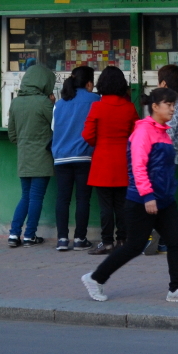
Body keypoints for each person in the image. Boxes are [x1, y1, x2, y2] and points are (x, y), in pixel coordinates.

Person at [81, 87, 178, 304]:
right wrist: (147, 196)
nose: (172, 109)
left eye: (173, 104)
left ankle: (176, 289)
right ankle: (95, 278)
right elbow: (138, 166)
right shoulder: (143, 131)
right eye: (168, 104)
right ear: (155, 107)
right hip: (143, 200)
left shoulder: (162, 131)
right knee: (134, 246)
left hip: (164, 199)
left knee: (175, 241)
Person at [140, 64, 178, 257]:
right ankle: (162, 239)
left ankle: (156, 237)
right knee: (164, 199)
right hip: (172, 158)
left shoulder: (164, 105)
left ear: (163, 83)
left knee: (155, 200)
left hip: (158, 158)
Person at [83, 66, 137, 256]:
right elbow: (135, 136)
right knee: (122, 205)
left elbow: (87, 135)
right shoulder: (129, 108)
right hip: (124, 161)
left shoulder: (97, 106)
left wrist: (101, 143)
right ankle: (123, 239)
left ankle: (107, 242)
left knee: (105, 206)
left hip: (102, 161)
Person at [6, 63, 56, 247]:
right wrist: (53, 104)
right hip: (42, 157)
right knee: (36, 197)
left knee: (25, 196)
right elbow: (57, 127)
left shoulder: (16, 102)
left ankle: (13, 234)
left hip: (24, 158)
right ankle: (29, 236)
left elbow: (12, 135)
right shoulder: (44, 103)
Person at [51, 65, 98, 251]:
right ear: (88, 83)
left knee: (62, 199)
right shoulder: (95, 100)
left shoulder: (60, 104)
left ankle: (62, 239)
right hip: (84, 157)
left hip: (61, 157)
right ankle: (80, 239)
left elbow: (54, 129)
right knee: (82, 199)